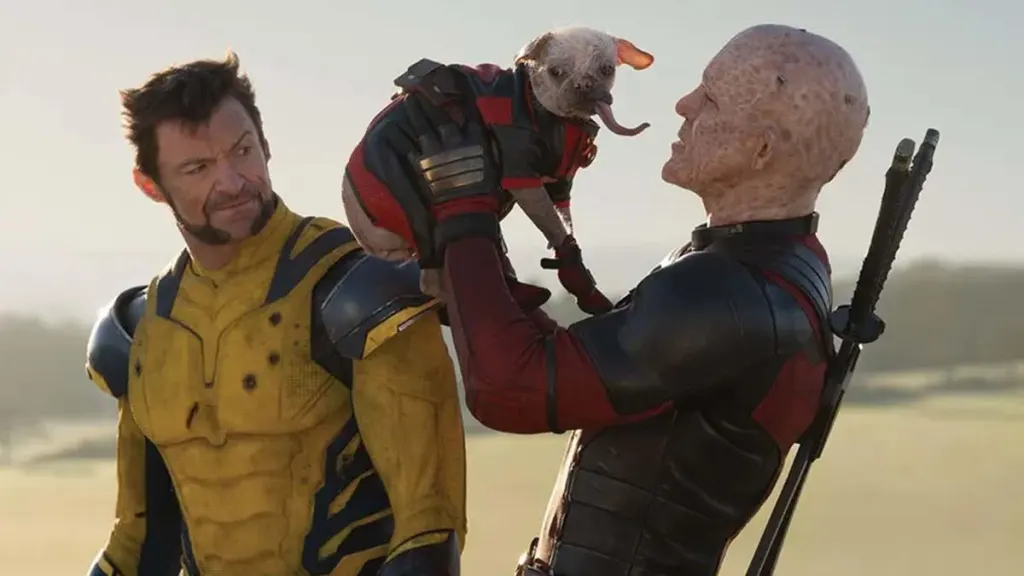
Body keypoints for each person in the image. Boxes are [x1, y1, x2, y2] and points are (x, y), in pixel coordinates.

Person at [343, 24, 870, 576]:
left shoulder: (721, 293)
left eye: (711, 99)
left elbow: (509, 387)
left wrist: (463, 207)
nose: (684, 105)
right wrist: (475, 255)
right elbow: (570, 363)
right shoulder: (761, 264)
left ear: (762, 149)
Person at [84, 53, 466, 576]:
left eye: (242, 151)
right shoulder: (142, 334)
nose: (232, 182)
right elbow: (136, 544)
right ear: (151, 185)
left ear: (265, 144)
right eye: (198, 168)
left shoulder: (354, 291)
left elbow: (427, 531)